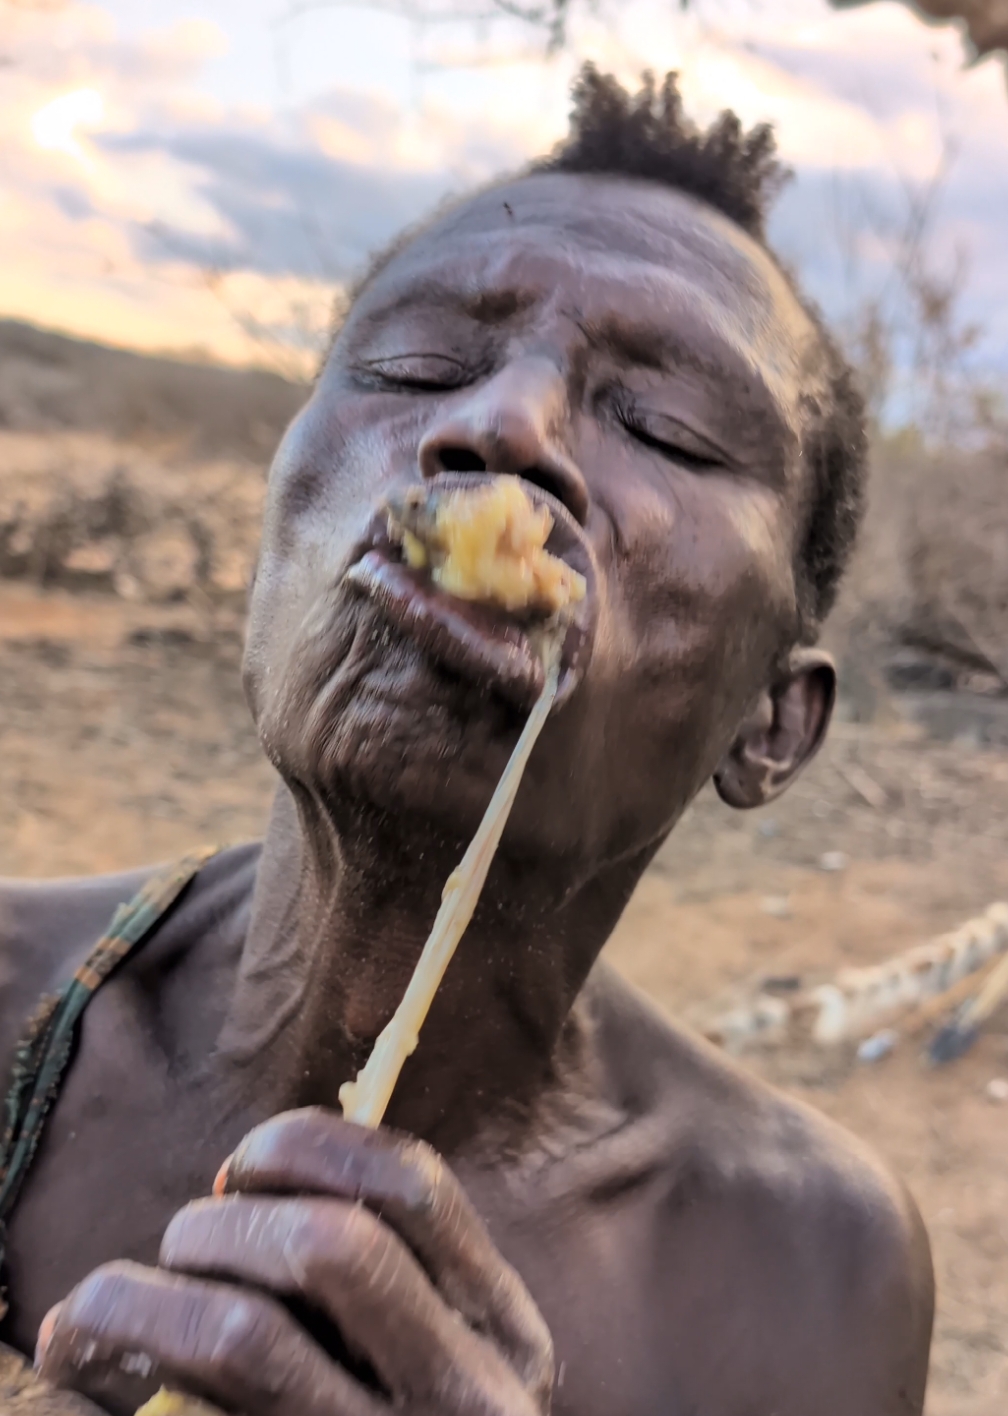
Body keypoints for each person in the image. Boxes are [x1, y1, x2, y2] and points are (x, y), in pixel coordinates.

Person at [0, 66, 933, 1416]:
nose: (501, 425)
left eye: (663, 428)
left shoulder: (808, 1280)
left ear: (770, 723)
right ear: (279, 526)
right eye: (416, 365)